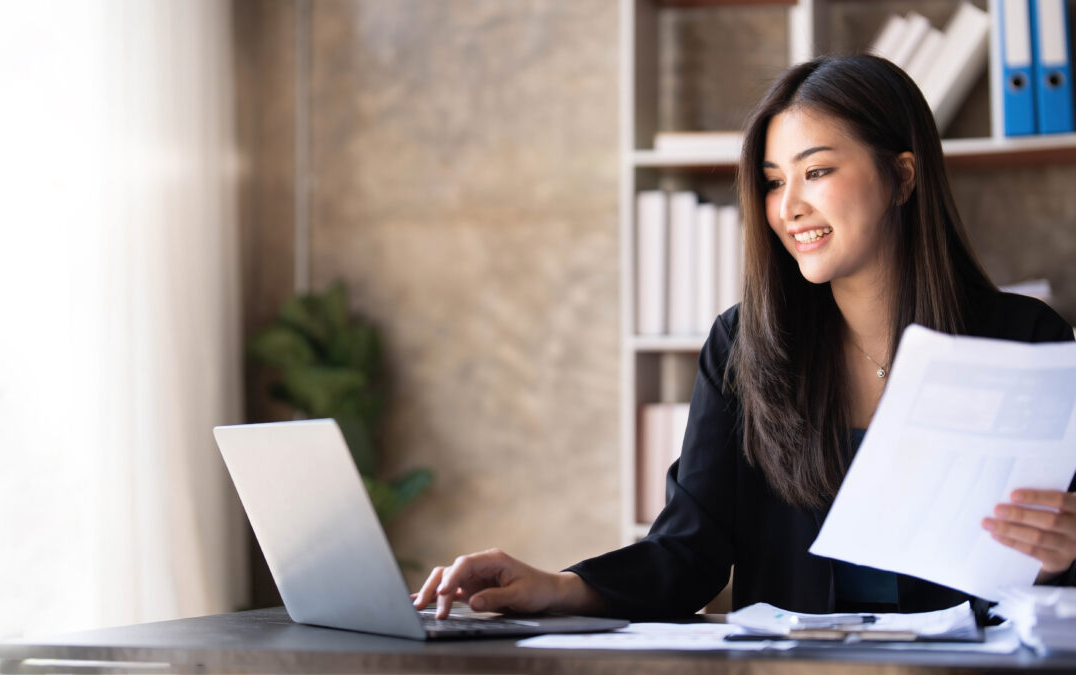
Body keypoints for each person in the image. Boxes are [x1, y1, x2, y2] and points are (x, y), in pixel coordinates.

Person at [412, 54, 1076, 621]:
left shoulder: (1028, 342)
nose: (789, 206)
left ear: (902, 176)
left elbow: (1052, 566)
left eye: (816, 172)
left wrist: (1066, 557)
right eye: (772, 181)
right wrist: (556, 586)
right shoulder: (744, 346)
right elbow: (687, 552)